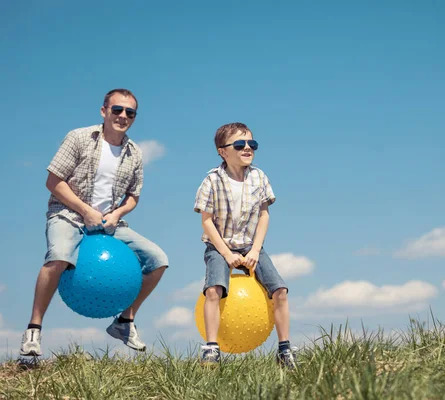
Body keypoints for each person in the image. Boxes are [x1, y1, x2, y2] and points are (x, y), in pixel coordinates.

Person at [19, 89, 169, 357]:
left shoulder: (134, 152)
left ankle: (125, 321)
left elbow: (134, 196)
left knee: (158, 260)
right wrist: (85, 210)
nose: (123, 116)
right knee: (59, 257)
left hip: (110, 224)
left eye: (130, 112)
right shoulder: (79, 138)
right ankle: (34, 329)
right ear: (104, 111)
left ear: (134, 118)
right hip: (68, 214)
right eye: (117, 110)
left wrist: (117, 213)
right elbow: (53, 182)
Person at [193, 122, 297, 369]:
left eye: (252, 144)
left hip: (252, 246)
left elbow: (264, 215)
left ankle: (285, 350)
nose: (248, 148)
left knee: (280, 290)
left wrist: (254, 250)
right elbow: (206, 222)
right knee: (213, 290)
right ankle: (211, 347)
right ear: (223, 151)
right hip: (220, 247)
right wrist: (227, 254)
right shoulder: (211, 180)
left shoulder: (259, 177)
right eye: (240, 144)